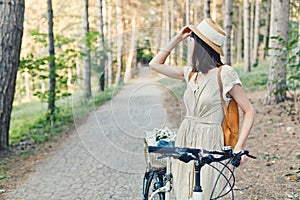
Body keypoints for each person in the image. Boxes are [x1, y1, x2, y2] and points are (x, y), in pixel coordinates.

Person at [149, 18, 254, 199]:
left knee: (207, 192)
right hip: (186, 135)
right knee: (184, 190)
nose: (188, 45)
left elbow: (249, 110)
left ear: (200, 46)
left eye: (191, 40)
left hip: (211, 140)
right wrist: (177, 37)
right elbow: (155, 64)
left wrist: (239, 146)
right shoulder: (190, 72)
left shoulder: (225, 73)